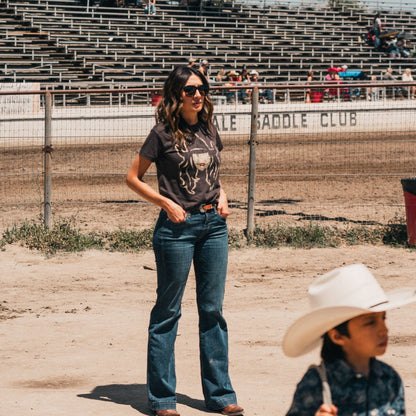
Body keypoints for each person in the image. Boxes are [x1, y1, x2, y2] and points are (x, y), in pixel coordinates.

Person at [126, 66, 244, 416]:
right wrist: (164, 202)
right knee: (168, 312)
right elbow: (132, 178)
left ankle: (221, 395)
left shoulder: (208, 127)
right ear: (176, 94)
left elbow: (212, 175)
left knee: (213, 311)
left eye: (202, 89)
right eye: (191, 89)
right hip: (176, 230)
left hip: (214, 226)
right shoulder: (160, 134)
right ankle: (163, 399)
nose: (198, 95)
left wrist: (223, 194)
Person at [282, 263, 416, 416]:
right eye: (370, 322)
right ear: (337, 336)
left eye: (383, 318)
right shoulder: (315, 384)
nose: (384, 330)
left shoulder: (390, 379)